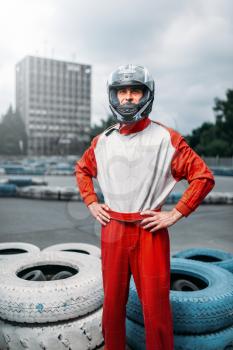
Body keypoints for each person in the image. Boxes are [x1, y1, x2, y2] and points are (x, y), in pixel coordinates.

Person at [75, 64, 215, 350]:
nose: (127, 98)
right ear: (113, 97)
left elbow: (203, 177)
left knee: (156, 310)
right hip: (112, 229)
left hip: (149, 230)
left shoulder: (167, 139)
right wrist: (91, 201)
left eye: (135, 91)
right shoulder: (102, 141)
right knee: (112, 306)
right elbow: (82, 169)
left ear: (146, 95)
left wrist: (176, 213)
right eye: (122, 91)